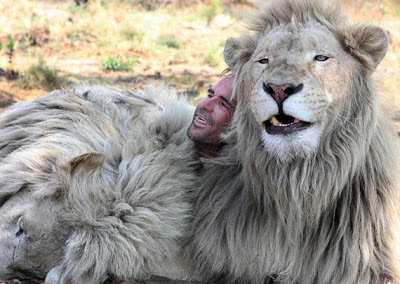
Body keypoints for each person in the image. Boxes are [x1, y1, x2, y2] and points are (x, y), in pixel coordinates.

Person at [187, 74, 236, 158]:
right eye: (210, 96)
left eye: (223, 104)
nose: (204, 105)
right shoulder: (166, 146)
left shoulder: (246, 170)